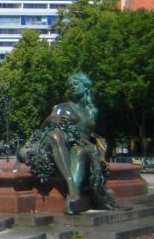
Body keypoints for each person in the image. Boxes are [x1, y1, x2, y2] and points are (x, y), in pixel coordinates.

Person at [21, 72, 118, 214]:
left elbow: (89, 133)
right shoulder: (62, 107)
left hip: (79, 144)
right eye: (70, 85)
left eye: (76, 84)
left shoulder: (92, 111)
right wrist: (48, 120)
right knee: (55, 135)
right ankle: (72, 187)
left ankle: (71, 201)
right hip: (57, 141)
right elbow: (43, 132)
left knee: (80, 152)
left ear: (85, 87)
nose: (73, 87)